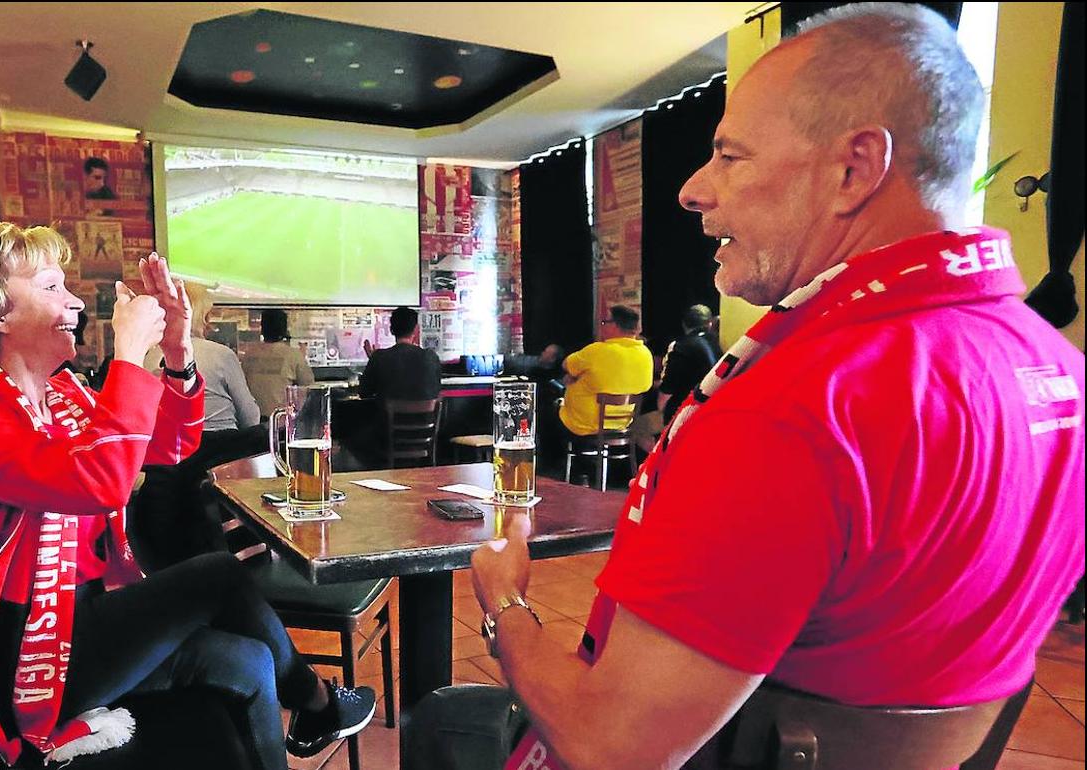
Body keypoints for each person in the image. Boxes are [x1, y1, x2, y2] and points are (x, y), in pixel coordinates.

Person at [406, 5, 1085, 769]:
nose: (694, 189)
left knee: (440, 720)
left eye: (731, 156)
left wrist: (506, 604)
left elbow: (610, 747)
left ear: (853, 170)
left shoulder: (796, 406)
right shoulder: (1061, 368)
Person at [0, 222, 375, 769]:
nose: (74, 303)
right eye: (50, 287)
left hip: (85, 619)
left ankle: (315, 709)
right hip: (18, 655)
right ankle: (319, 705)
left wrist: (177, 353)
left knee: (251, 661)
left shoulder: (61, 394)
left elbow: (167, 447)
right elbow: (98, 481)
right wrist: (129, 352)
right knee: (216, 573)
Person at [138, 282, 264, 571]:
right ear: (199, 317)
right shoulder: (221, 354)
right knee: (261, 435)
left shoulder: (145, 357)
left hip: (168, 467)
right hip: (223, 461)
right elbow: (250, 417)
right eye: (207, 315)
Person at [554, 305, 654, 458]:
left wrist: (574, 378)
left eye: (604, 323)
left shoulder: (597, 351)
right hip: (623, 425)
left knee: (548, 409)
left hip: (583, 425)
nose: (602, 327)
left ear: (614, 325)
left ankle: (564, 471)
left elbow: (566, 364)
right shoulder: (645, 354)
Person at [359, 306, 442, 401]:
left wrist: (374, 360)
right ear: (416, 330)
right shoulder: (430, 357)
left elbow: (364, 393)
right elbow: (435, 391)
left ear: (391, 330)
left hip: (389, 415)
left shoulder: (380, 357)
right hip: (427, 416)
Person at [243, 308, 315, 416]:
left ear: (262, 329)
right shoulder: (293, 355)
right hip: (281, 421)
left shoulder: (249, 354)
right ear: (284, 329)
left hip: (253, 421)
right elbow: (309, 388)